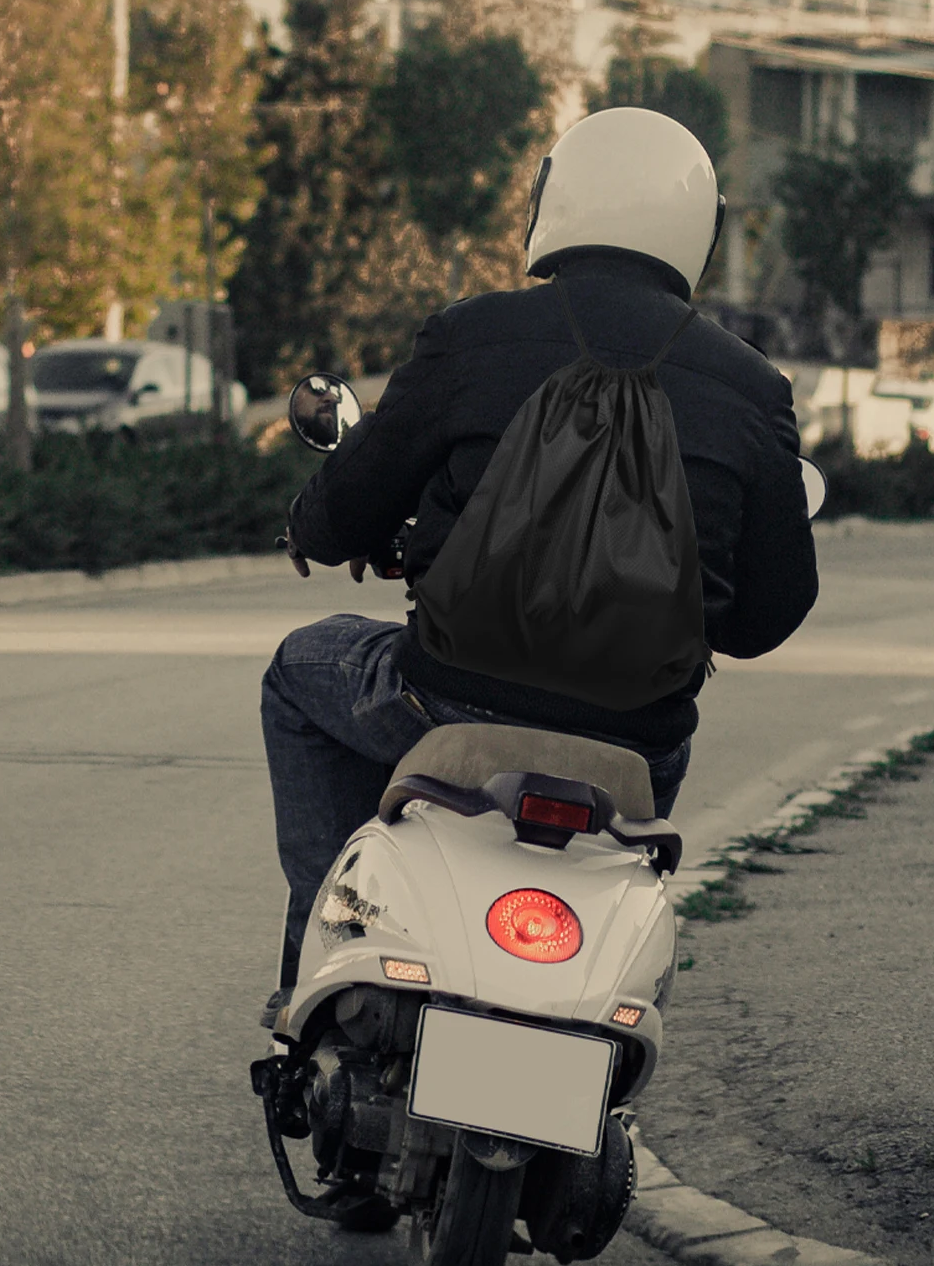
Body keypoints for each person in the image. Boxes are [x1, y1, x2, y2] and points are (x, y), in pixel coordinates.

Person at [260, 107, 818, 1019]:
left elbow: (344, 508)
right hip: (635, 750)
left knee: (300, 671)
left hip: (439, 705)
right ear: (698, 233)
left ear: (555, 201)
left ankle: (322, 967)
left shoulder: (473, 335)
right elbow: (769, 616)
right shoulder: (754, 390)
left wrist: (318, 530)